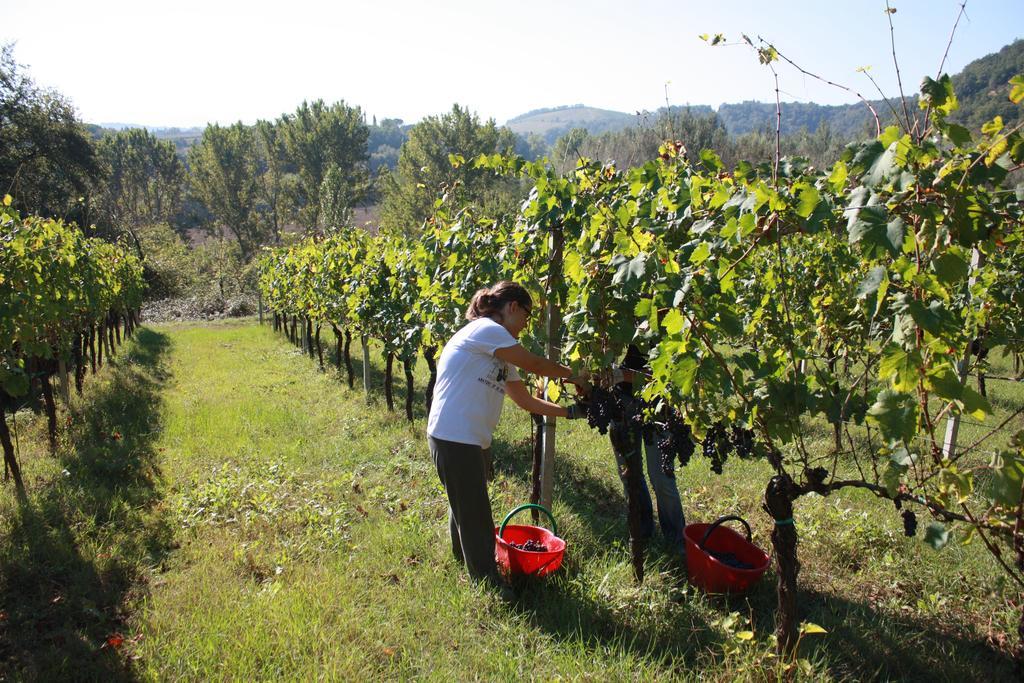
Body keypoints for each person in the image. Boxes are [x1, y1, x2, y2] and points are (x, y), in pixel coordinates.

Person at [426, 281, 589, 587]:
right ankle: (488, 583)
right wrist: (574, 374)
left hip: (468, 438)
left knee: (466, 503)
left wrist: (570, 412)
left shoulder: (498, 353)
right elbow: (535, 363)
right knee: (475, 515)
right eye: (526, 317)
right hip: (455, 437)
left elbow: (523, 400)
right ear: (512, 307)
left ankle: (464, 563)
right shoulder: (486, 330)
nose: (525, 327)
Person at [607, 345, 686, 559]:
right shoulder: (617, 314)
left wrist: (622, 374)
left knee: (661, 477)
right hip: (623, 401)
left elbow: (669, 375)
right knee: (629, 475)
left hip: (660, 406)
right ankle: (642, 530)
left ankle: (676, 540)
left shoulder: (672, 319)